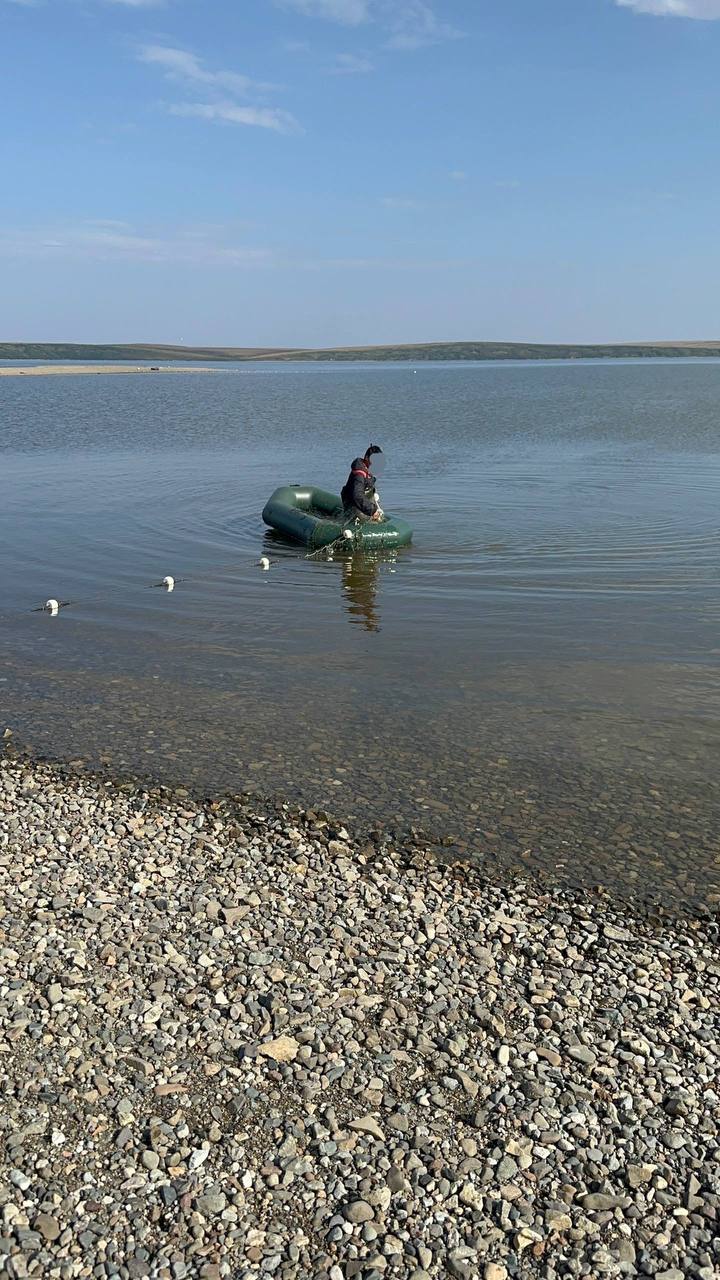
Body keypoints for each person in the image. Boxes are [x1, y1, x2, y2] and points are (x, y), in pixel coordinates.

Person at [341, 444, 384, 522]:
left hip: (364, 501)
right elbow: (357, 495)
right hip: (353, 504)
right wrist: (372, 510)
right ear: (367, 458)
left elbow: (369, 484)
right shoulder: (359, 475)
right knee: (367, 519)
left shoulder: (368, 469)